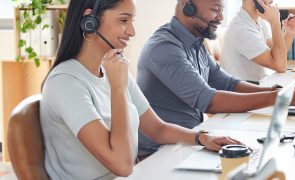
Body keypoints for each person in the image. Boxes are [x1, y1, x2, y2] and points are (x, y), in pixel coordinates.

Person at [40, 0, 241, 179]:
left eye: (131, 21)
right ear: (89, 20)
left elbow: (156, 128)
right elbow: (122, 165)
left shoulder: (111, 69)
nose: (132, 32)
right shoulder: (65, 82)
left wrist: (202, 138)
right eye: (123, 20)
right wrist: (118, 88)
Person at [136, 0, 295, 156]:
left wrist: (277, 92)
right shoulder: (165, 47)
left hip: (191, 140)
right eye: (215, 9)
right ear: (187, 6)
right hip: (160, 151)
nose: (221, 17)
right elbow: (208, 100)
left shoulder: (195, 41)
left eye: (222, 10)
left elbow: (226, 82)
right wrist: (275, 98)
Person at [220, 0, 295, 83]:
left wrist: (289, 33)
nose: (271, 1)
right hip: (242, 93)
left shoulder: (258, 21)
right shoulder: (242, 30)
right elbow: (280, 66)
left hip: (255, 87)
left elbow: (277, 55)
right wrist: (275, 22)